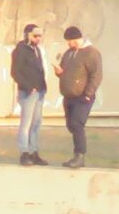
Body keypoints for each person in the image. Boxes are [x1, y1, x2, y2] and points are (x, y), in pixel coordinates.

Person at [56, 27, 103, 169]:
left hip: (83, 96)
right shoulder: (69, 53)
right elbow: (64, 70)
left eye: (69, 41)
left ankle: (79, 156)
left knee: (77, 124)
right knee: (71, 125)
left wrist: (88, 94)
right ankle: (77, 155)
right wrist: (59, 73)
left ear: (75, 39)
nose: (68, 44)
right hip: (68, 96)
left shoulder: (91, 53)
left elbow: (96, 75)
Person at [12, 22, 48, 165]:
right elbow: (15, 72)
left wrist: (42, 87)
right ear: (28, 35)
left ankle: (33, 152)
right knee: (26, 123)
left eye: (40, 36)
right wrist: (28, 86)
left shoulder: (36, 50)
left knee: (36, 123)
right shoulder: (20, 50)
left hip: (40, 91)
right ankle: (24, 152)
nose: (38, 39)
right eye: (35, 36)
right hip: (28, 92)